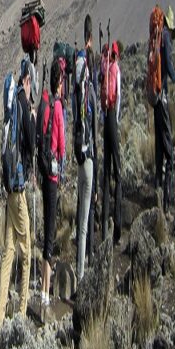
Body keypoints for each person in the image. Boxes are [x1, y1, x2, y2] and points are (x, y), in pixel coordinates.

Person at [0, 58, 36, 325]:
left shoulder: (12, 105)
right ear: (27, 81)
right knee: (27, 252)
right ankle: (21, 311)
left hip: (9, 186)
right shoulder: (23, 104)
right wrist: (32, 118)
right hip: (18, 189)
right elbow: (32, 143)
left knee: (9, 251)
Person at [38, 59, 65, 310]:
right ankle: (45, 292)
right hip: (54, 175)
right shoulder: (57, 108)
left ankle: (43, 286)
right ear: (60, 81)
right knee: (50, 232)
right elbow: (62, 143)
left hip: (43, 173)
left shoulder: (45, 105)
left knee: (46, 225)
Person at [74, 51, 97, 282]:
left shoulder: (75, 95)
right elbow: (95, 134)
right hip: (89, 160)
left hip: (79, 162)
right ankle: (81, 275)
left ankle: (79, 266)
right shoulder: (89, 94)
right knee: (84, 223)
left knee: (80, 215)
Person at [155, 7, 175, 211]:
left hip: (155, 96)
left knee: (158, 146)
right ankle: (167, 200)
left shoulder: (156, 36)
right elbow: (169, 64)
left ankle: (156, 189)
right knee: (169, 149)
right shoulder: (165, 39)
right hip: (162, 96)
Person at [101, 41, 122, 244]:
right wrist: (117, 119)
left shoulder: (105, 68)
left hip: (104, 117)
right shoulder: (115, 69)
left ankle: (104, 223)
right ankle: (118, 226)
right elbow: (120, 95)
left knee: (106, 173)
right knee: (118, 173)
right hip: (112, 118)